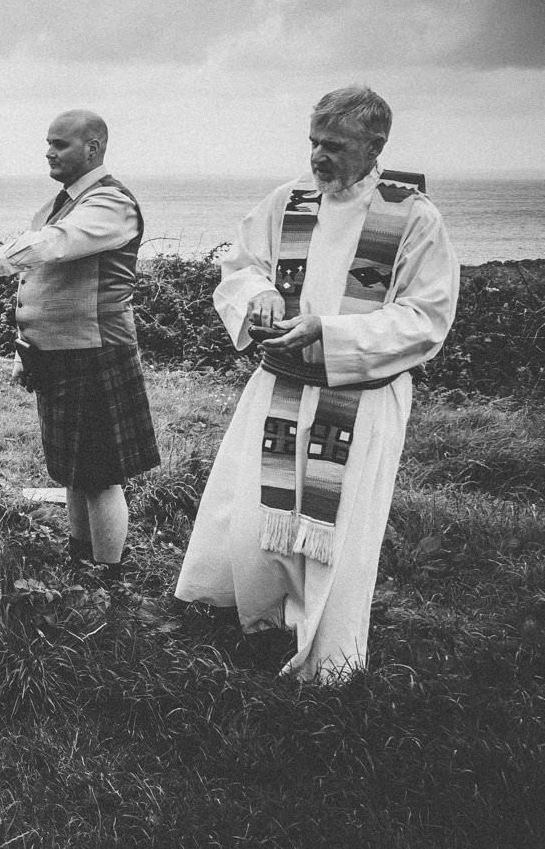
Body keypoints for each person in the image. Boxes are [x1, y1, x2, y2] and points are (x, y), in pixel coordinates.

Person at [173, 85, 459, 681]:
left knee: (337, 528)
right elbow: (241, 265)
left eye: (334, 146)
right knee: (257, 510)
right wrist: (261, 297)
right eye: (313, 143)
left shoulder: (412, 217)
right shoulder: (291, 201)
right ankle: (255, 617)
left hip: (357, 397)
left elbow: (424, 318)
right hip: (278, 387)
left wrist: (326, 332)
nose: (318, 158)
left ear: (375, 145)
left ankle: (328, 656)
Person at [0, 110, 160, 585]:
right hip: (59, 353)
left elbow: (56, 246)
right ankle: (81, 560)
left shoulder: (111, 204)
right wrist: (28, 348)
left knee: (102, 474)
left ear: (93, 147)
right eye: (48, 142)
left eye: (60, 144)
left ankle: (107, 579)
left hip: (96, 349)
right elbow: (40, 276)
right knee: (74, 470)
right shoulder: (58, 203)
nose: (49, 152)